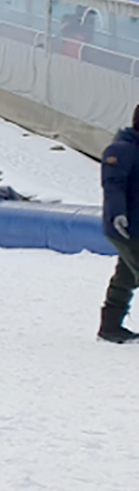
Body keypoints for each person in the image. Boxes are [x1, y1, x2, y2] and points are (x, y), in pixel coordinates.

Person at [97, 105, 139, 343]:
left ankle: (110, 326)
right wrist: (117, 214)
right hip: (127, 226)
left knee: (126, 274)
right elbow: (113, 185)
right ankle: (110, 326)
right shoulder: (121, 150)